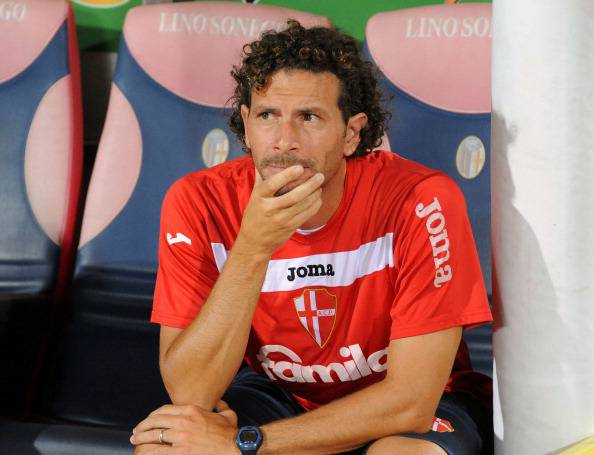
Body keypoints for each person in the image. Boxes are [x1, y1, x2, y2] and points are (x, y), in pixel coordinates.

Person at [130, 20, 493, 455]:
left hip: (410, 409)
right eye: (267, 115)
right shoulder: (198, 200)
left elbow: (410, 402)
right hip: (280, 395)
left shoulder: (421, 199)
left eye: (309, 117)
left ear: (351, 133)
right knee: (165, 446)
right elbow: (190, 390)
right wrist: (252, 248)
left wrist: (245, 443)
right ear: (246, 124)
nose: (284, 141)